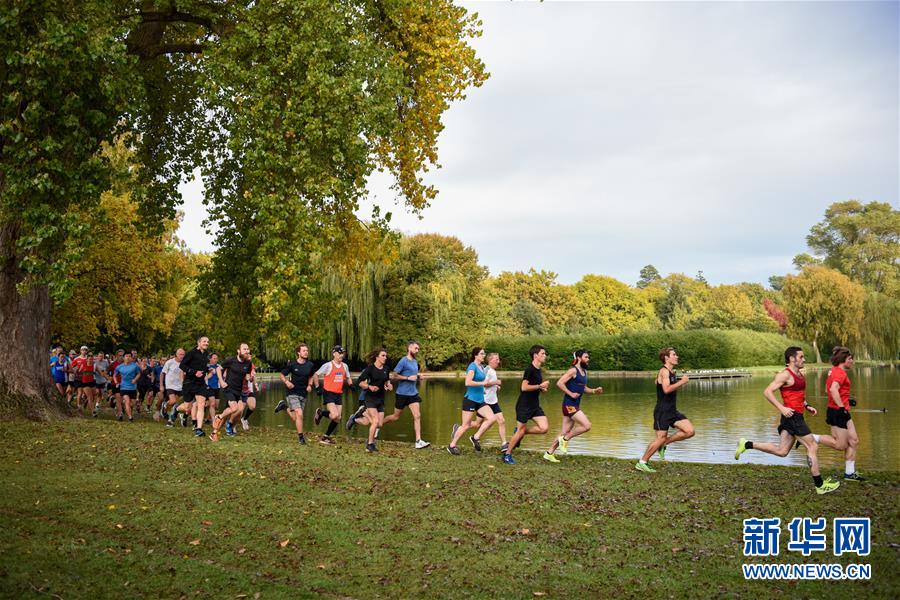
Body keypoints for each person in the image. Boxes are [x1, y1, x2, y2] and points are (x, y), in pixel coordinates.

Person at [735, 346, 840, 494]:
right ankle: (820, 485)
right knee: (812, 446)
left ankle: (746, 444)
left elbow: (797, 395)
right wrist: (782, 408)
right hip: (792, 416)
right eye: (801, 357)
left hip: (793, 416)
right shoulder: (785, 375)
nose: (804, 359)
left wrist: (807, 406)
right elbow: (767, 392)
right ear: (791, 358)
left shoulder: (800, 374)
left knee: (782, 451)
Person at [635, 348, 694, 473]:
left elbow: (660, 384)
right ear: (666, 358)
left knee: (689, 431)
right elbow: (666, 389)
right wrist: (682, 382)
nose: (677, 356)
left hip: (672, 411)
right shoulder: (664, 371)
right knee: (660, 438)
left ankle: (664, 444)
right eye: (674, 354)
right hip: (662, 411)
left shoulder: (671, 372)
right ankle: (642, 462)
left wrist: (669, 381)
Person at [544, 349, 603, 463]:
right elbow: (559, 383)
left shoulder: (584, 372)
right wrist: (571, 393)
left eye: (588, 357)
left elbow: (583, 388)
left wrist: (594, 391)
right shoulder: (573, 371)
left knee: (564, 431)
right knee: (587, 425)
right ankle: (565, 439)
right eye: (586, 357)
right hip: (569, 405)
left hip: (574, 404)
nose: (588, 359)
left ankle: (549, 453)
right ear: (579, 358)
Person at [816, 346, 865, 482]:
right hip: (838, 411)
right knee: (840, 445)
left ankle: (849, 473)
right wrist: (842, 406)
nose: (852, 361)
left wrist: (846, 399)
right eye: (850, 359)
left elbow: (827, 390)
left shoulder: (833, 371)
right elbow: (833, 389)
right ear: (843, 359)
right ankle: (811, 438)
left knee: (854, 441)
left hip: (840, 410)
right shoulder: (840, 373)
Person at [502, 345, 550, 465]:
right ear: (535, 355)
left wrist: (541, 389)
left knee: (544, 428)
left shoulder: (538, 370)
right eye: (543, 354)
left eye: (545, 354)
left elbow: (534, 386)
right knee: (520, 431)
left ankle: (520, 432)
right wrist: (540, 386)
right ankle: (507, 454)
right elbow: (524, 387)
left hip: (534, 406)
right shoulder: (530, 369)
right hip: (524, 406)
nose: (545, 356)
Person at [377, 340, 430, 449]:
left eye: (418, 349)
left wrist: (418, 376)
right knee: (395, 417)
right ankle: (378, 425)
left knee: (417, 415)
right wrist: (407, 378)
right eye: (416, 348)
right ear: (409, 348)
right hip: (402, 394)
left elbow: (413, 375)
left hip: (413, 394)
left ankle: (418, 441)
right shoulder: (403, 361)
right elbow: (394, 375)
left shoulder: (415, 361)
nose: (417, 350)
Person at [448, 347, 498, 455]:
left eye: (484, 354)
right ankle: (452, 445)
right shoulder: (472, 366)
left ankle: (475, 437)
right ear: (476, 355)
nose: (483, 355)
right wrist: (482, 384)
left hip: (480, 400)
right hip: (470, 399)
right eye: (481, 354)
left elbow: (482, 381)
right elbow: (468, 382)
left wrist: (485, 388)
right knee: (465, 425)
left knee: (492, 418)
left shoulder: (481, 367)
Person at [354, 348, 394, 452]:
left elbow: (387, 381)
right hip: (370, 398)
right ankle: (370, 444)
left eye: (386, 356)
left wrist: (389, 385)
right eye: (383, 355)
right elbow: (359, 382)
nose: (385, 358)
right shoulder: (370, 369)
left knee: (379, 424)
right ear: (377, 357)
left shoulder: (386, 368)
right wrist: (369, 387)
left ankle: (356, 417)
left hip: (380, 399)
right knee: (375, 421)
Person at [211, 343, 253, 441]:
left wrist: (250, 378)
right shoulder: (231, 360)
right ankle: (219, 416)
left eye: (247, 349)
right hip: (228, 388)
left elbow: (247, 376)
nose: (247, 351)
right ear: (238, 351)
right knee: (234, 408)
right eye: (244, 349)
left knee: (234, 411)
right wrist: (221, 381)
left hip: (238, 390)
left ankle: (214, 433)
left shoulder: (248, 363)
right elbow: (218, 369)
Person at [314, 346, 353, 445]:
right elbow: (316, 375)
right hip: (329, 393)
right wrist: (317, 387)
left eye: (342, 353)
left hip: (338, 394)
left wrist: (351, 385)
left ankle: (325, 437)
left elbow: (348, 377)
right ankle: (321, 413)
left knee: (338, 418)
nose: (341, 355)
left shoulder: (345, 366)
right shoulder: (328, 365)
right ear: (334, 353)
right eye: (339, 353)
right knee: (334, 415)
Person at [277, 344, 316, 445]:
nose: (306, 352)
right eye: (304, 351)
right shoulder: (292, 364)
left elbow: (311, 376)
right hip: (292, 392)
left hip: (303, 393)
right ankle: (301, 438)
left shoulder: (310, 365)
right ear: (298, 353)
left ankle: (284, 406)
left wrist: (310, 385)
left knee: (296, 418)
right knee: (300, 414)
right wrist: (287, 382)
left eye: (307, 350)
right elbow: (281, 375)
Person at [473, 352, 507, 451]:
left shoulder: (492, 371)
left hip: (493, 401)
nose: (498, 361)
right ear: (490, 360)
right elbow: (483, 384)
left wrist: (496, 386)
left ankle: (504, 444)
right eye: (497, 359)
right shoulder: (487, 370)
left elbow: (489, 384)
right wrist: (495, 382)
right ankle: (469, 433)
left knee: (501, 421)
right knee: (477, 424)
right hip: (485, 401)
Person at [178, 336, 210, 437]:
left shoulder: (206, 354)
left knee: (201, 404)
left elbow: (203, 367)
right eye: (204, 341)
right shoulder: (191, 353)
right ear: (199, 342)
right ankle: (176, 409)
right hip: (189, 382)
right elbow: (182, 365)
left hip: (201, 383)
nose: (206, 343)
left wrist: (207, 370)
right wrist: (194, 372)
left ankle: (198, 429)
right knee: (187, 407)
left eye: (207, 342)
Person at [114, 352, 141, 422]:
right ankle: (130, 417)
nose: (128, 358)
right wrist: (116, 382)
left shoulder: (135, 366)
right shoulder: (120, 367)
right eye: (126, 356)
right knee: (127, 401)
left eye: (129, 356)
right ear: (123, 358)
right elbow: (114, 375)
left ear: (131, 358)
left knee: (132, 404)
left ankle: (124, 406)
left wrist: (135, 379)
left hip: (133, 387)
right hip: (124, 387)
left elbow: (139, 374)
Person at [161, 349, 185, 427]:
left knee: (175, 404)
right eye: (180, 354)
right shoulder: (170, 362)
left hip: (180, 386)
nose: (182, 356)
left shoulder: (185, 363)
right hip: (170, 385)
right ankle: (165, 406)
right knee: (173, 401)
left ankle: (168, 412)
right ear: (176, 354)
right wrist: (161, 385)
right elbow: (162, 373)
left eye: (183, 354)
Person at [205, 353, 223, 426]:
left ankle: (207, 419)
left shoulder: (219, 366)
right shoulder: (207, 366)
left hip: (217, 387)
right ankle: (213, 421)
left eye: (217, 358)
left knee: (215, 406)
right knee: (212, 404)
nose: (216, 360)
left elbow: (223, 374)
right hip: (209, 387)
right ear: (210, 359)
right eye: (214, 358)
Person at [93, 352, 110, 416]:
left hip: (103, 380)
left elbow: (108, 369)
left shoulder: (105, 362)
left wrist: (106, 372)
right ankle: (88, 400)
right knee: (97, 392)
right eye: (100, 356)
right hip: (96, 379)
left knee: (100, 393)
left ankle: (97, 404)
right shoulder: (95, 362)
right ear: (97, 356)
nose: (101, 357)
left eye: (102, 356)